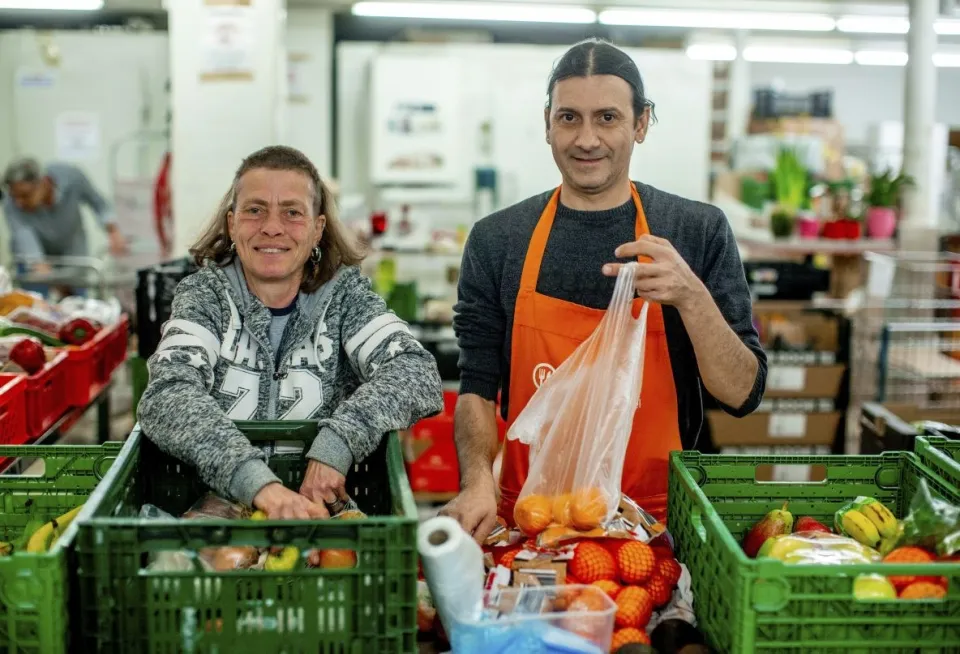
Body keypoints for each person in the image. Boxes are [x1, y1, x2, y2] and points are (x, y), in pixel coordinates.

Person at [441, 39, 767, 541]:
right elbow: (479, 389)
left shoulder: (696, 230)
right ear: (547, 121)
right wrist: (477, 480)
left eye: (608, 118)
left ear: (641, 123)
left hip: (658, 527)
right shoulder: (499, 240)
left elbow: (743, 394)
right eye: (569, 118)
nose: (586, 139)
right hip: (534, 522)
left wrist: (692, 297)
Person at [137, 145, 444, 519]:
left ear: (318, 229)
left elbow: (415, 371)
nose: (272, 227)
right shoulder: (204, 297)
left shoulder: (346, 298)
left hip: (320, 523)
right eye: (255, 210)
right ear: (232, 224)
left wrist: (338, 443)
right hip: (214, 527)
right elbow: (167, 393)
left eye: (292, 212)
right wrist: (258, 485)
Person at [1, 158, 128, 270]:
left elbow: (99, 203)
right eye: (15, 197)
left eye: (25, 196)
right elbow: (25, 239)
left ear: (44, 182)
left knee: (77, 293)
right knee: (34, 294)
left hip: (74, 254)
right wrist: (40, 267)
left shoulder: (72, 177)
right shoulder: (11, 203)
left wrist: (113, 231)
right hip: (35, 261)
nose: (19, 203)